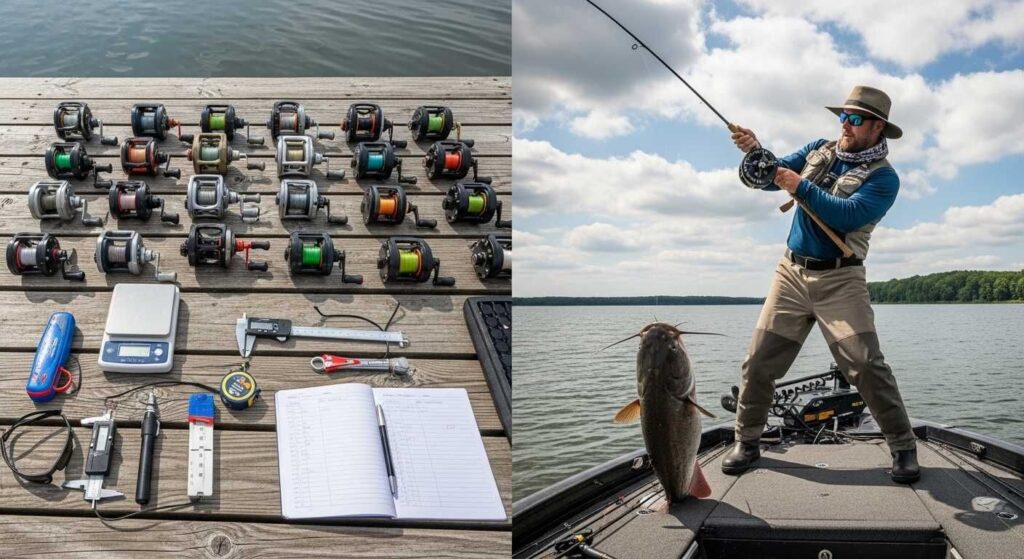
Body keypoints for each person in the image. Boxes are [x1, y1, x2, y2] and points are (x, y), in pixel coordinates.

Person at [722, 85, 919, 483]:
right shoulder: (819, 149)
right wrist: (756, 152)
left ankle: (902, 446)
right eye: (843, 116)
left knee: (865, 363)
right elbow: (767, 177)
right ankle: (747, 440)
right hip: (790, 275)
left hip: (842, 280)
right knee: (759, 362)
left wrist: (798, 185)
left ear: (878, 127)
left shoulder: (885, 180)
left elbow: (846, 215)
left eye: (856, 118)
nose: (845, 123)